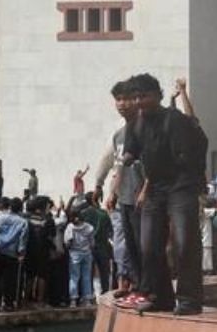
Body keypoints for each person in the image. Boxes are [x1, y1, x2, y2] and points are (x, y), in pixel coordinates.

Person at [118, 73, 208, 315]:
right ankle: (160, 296)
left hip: (180, 185)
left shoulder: (174, 120)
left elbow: (189, 153)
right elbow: (131, 150)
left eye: (144, 96)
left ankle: (189, 299)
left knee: (184, 242)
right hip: (156, 187)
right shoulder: (136, 122)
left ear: (157, 96)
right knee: (149, 244)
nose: (139, 101)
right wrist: (125, 159)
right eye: (135, 97)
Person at [93, 79, 144, 295]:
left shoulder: (146, 128)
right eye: (118, 100)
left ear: (136, 100)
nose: (122, 104)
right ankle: (129, 282)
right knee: (128, 244)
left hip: (145, 196)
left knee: (145, 244)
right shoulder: (119, 135)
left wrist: (145, 190)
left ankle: (145, 287)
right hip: (124, 196)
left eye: (126, 99)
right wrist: (107, 189)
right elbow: (115, 164)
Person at [63, 199, 97, 304]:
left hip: (74, 254)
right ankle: (87, 299)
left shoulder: (70, 227)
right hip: (87, 253)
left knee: (74, 277)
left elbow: (67, 243)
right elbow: (92, 244)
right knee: (86, 276)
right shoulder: (89, 227)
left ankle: (73, 299)